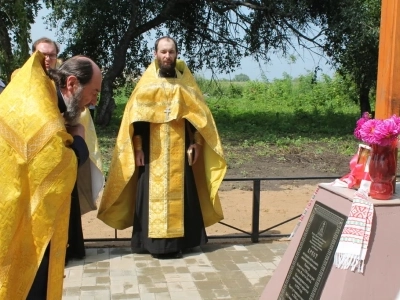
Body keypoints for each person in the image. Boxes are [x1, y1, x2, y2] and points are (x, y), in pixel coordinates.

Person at [97, 36, 227, 259]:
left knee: (182, 195)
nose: (167, 56)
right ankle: (151, 244)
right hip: (151, 153)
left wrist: (196, 143)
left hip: (180, 151)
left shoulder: (186, 85)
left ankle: (182, 243)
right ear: (155, 54)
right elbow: (135, 122)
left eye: (171, 52)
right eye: (163, 52)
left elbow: (198, 119)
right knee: (150, 196)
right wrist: (137, 148)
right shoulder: (146, 85)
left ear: (177, 54)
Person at [0, 52, 102, 299]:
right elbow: (57, 165)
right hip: (20, 218)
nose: (92, 102)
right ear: (72, 84)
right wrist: (78, 139)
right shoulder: (39, 105)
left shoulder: (42, 94)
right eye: (94, 93)